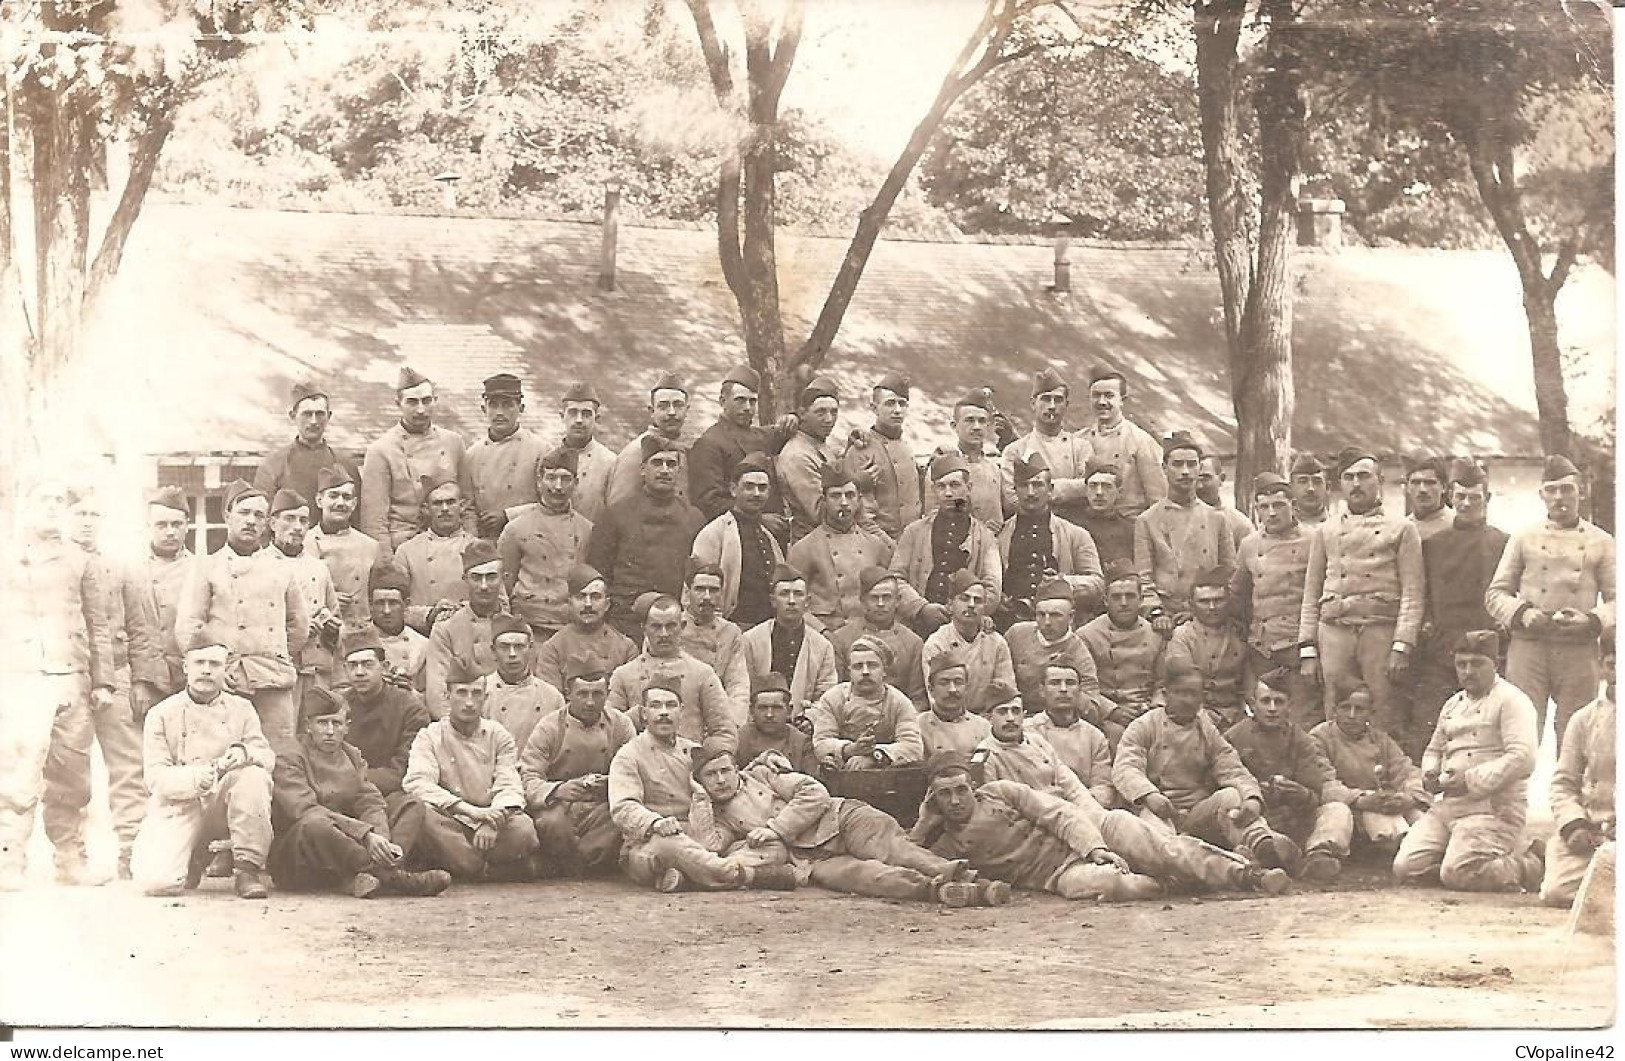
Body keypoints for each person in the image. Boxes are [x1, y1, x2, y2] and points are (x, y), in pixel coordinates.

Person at [913, 759, 1291, 901]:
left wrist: (1095, 847)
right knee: (1119, 885)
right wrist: (923, 824)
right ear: (934, 798)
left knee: (1155, 843)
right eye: (946, 794)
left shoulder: (999, 792)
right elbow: (912, 856)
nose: (958, 799)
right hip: (1058, 874)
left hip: (1094, 836)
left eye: (962, 788)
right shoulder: (945, 843)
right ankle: (1179, 881)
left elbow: (1060, 813)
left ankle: (1247, 874)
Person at [689, 743, 992, 904]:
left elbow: (814, 793)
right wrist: (700, 799)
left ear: (735, 768)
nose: (719, 780)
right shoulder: (721, 816)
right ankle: (939, 891)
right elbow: (709, 846)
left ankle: (962, 875)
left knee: (897, 851)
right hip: (812, 857)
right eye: (710, 776)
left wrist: (775, 829)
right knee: (868, 879)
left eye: (724, 771)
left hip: (842, 818)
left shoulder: (765, 774)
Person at [0, 480, 115, 890]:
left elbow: (98, 621)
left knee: (72, 773)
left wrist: (103, 680)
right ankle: (9, 859)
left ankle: (70, 858)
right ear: (24, 503)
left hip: (71, 678)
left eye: (57, 500)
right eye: (43, 498)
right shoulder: (6, 555)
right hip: (20, 676)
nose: (51, 506)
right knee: (18, 769)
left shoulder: (79, 559)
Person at [45, 489, 165, 882]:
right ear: (65, 517)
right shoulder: (51, 567)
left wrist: (144, 681)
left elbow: (143, 628)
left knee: (129, 767)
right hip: (72, 679)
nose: (87, 521)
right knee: (66, 768)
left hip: (120, 675)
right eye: (79, 512)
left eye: (95, 513)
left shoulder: (122, 568)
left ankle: (132, 849)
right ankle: (69, 854)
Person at [1112, 658, 1299, 871]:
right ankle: (1218, 867)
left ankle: (1264, 848)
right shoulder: (1144, 726)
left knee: (1231, 796)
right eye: (1181, 693)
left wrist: (1252, 798)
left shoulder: (1206, 729)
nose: (1188, 700)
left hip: (1196, 813)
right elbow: (1125, 767)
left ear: (1202, 697)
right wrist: (1148, 794)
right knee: (1158, 840)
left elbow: (1231, 767)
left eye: (1194, 694)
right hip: (1158, 809)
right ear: (1166, 694)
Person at [1392, 631, 1544, 892]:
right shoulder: (1453, 704)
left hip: (1494, 809)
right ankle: (1462, 859)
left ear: (1495, 663)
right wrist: (1430, 773)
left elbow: (1523, 757)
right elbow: (1434, 748)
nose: (1468, 671)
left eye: (1477, 664)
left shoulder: (1512, 701)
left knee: (1458, 874)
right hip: (1450, 807)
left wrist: (1471, 780)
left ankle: (1531, 862)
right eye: (1462, 664)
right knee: (1405, 868)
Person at [268, 686, 451, 898]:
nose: (329, 731)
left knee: (410, 804)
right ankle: (394, 877)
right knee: (314, 824)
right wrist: (366, 836)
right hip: (300, 859)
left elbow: (369, 799)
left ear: (347, 727)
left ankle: (373, 871)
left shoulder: (351, 754)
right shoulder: (289, 756)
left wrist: (380, 838)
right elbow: (304, 810)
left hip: (348, 847)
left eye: (336, 723)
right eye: (321, 723)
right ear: (308, 726)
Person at [608, 679, 789, 892]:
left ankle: (690, 877)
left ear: (681, 712)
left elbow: (726, 776)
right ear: (643, 713)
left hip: (704, 837)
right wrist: (655, 823)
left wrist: (764, 760)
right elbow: (623, 807)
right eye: (656, 706)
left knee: (770, 845)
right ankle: (745, 875)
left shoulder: (694, 750)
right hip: (652, 842)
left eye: (671, 705)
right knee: (670, 847)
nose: (664, 712)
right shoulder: (629, 755)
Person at [130, 637, 275, 899]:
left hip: (224, 803)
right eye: (199, 663)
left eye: (214, 664)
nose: (206, 670)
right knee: (155, 882)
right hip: (180, 804)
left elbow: (266, 756)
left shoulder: (242, 709)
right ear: (186, 667)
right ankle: (194, 856)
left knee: (254, 776)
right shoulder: (162, 713)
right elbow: (156, 778)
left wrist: (244, 752)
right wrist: (202, 775)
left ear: (226, 669)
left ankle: (247, 868)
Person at [1485, 453, 1615, 745]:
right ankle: (1517, 793)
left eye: (1567, 489)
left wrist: (1593, 620)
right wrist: (1522, 613)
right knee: (1521, 736)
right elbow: (1495, 594)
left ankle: (1571, 793)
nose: (1560, 497)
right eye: (1552, 490)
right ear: (1541, 494)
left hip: (1578, 651)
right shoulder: (1523, 537)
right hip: (1529, 648)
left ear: (1581, 491)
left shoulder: (1602, 542)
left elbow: (1617, 600)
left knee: (1577, 737)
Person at [1299, 448, 1424, 740]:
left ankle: (1384, 778)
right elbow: (1311, 592)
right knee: (1335, 709)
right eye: (1349, 477)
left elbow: (1413, 594)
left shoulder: (1403, 529)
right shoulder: (1326, 531)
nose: (1356, 484)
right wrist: (1307, 648)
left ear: (1379, 481)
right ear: (1340, 484)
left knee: (1383, 710)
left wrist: (1402, 645)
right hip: (1333, 632)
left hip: (1379, 632)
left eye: (1364, 476)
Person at [176, 480, 310, 747]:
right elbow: (189, 626)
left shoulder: (281, 568)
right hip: (227, 682)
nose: (250, 521)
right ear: (227, 515)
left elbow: (298, 626)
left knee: (279, 756)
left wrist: (272, 652)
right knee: (221, 754)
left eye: (259, 515)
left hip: (273, 680)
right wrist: (215, 667)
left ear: (267, 523)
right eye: (243, 513)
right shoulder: (207, 566)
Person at [403, 658, 541, 881]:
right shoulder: (430, 735)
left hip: (492, 819)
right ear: (447, 696)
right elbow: (417, 783)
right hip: (452, 819)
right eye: (461, 693)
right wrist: (470, 811)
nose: (469, 702)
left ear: (485, 697)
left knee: (523, 828)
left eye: (476, 693)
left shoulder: (498, 735)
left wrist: (493, 819)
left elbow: (509, 783)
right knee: (422, 816)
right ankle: (486, 871)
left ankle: (464, 867)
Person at [1411, 460, 1509, 760]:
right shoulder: (1432, 544)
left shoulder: (1503, 542)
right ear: (1450, 497)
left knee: (1488, 726)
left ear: (1487, 499)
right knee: (1429, 723)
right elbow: (1421, 595)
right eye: (1460, 497)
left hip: (1488, 649)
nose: (1466, 504)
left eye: (1475, 497)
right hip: (1441, 650)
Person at [1223, 669, 1354, 881]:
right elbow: (1223, 781)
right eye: (1266, 701)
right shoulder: (1234, 737)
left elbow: (1315, 793)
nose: (1272, 709)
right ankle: (1275, 856)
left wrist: (1300, 793)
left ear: (1289, 706)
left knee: (1337, 810)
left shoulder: (1300, 739)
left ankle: (1318, 855)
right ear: (1253, 705)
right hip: (1259, 820)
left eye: (1279, 702)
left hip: (1296, 819)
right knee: (1235, 813)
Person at [520, 664, 636, 878]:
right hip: (560, 806)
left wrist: (610, 783)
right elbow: (527, 778)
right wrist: (558, 790)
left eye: (597, 694)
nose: (590, 702)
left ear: (608, 694)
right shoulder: (549, 727)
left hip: (602, 807)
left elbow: (635, 772)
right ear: (568, 693)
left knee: (622, 819)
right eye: (582, 694)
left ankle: (577, 865)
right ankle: (570, 864)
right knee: (551, 823)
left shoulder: (621, 725)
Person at [588, 433, 706, 638]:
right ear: (643, 470)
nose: (664, 470)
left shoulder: (693, 518)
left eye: (671, 464)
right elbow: (599, 571)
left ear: (679, 471)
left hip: (673, 623)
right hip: (626, 621)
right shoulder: (616, 513)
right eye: (657, 463)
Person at [1232, 473, 1317, 728]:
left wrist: (1310, 648)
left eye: (1279, 505)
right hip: (1262, 648)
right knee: (1264, 718)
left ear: (1293, 505)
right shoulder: (1249, 545)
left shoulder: (1314, 540)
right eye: (1264, 507)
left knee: (1301, 719)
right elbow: (1238, 593)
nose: (1271, 513)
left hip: (1297, 647)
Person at [360, 367, 469, 558]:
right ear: (398, 403)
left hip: (452, 546)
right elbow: (374, 522)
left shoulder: (454, 442)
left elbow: (468, 506)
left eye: (427, 401)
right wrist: (388, 565)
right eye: (412, 402)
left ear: (435, 401)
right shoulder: (381, 451)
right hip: (404, 549)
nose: (421, 409)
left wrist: (470, 550)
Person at [890, 452, 1003, 633]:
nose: (948, 493)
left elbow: (992, 588)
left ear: (969, 487)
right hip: (917, 625)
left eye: (955, 485)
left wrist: (963, 614)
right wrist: (921, 608)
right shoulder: (914, 532)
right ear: (934, 490)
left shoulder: (986, 538)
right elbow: (895, 579)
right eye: (941, 487)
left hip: (964, 628)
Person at [1310, 684, 1428, 856]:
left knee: (1420, 819)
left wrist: (1409, 797)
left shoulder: (1380, 740)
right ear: (1334, 710)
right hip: (1347, 806)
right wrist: (1360, 800)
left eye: (1359, 709)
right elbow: (1324, 783)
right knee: (1340, 813)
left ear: (1370, 713)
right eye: (1345, 708)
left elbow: (1406, 770)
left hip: (1379, 804)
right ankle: (1325, 856)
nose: (1351, 715)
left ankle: (1424, 855)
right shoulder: (1319, 738)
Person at [1135, 432, 1236, 631]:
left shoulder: (1216, 518)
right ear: (1165, 468)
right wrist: (1157, 613)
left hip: (1209, 614)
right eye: (1178, 464)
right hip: (1165, 617)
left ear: (1199, 468)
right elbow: (1143, 578)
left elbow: (1229, 573)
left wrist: (1202, 610)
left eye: (1191, 464)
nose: (1185, 472)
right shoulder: (1147, 520)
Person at [1541, 637, 1615, 908]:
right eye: (1612, 665)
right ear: (1601, 666)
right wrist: (1575, 825)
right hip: (1593, 834)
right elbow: (1563, 783)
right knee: (1556, 892)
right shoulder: (1584, 719)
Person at [608, 594, 738, 746]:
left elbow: (724, 732)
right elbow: (610, 730)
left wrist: (704, 759)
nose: (664, 634)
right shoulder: (624, 675)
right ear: (644, 628)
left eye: (670, 626)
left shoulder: (702, 674)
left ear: (682, 626)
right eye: (656, 626)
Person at [336, 629, 431, 829]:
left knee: (412, 807)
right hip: (342, 796)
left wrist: (355, 782)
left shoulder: (410, 708)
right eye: (353, 666)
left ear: (384, 667)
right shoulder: (337, 707)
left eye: (368, 664)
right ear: (345, 669)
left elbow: (404, 769)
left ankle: (390, 858)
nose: (360, 672)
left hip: (389, 795)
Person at [997, 452, 1104, 628]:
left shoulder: (1076, 535)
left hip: (1060, 625)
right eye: (1024, 485)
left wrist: (1064, 582)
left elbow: (1097, 585)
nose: (1031, 493)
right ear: (1015, 490)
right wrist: (997, 597)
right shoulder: (999, 535)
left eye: (1037, 485)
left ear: (1050, 489)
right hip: (1009, 623)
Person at [497, 446, 592, 641]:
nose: (558, 487)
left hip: (571, 630)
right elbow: (503, 587)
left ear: (576, 483)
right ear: (539, 482)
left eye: (565, 479)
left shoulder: (587, 530)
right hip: (529, 628)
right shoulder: (516, 529)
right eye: (551, 478)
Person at [788, 465, 894, 636]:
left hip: (869, 635)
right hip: (827, 634)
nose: (844, 503)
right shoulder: (804, 548)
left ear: (859, 500)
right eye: (836, 496)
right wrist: (821, 631)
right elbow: (792, 602)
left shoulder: (875, 544)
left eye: (850, 495)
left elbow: (892, 593)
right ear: (824, 501)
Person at [687, 364, 799, 525]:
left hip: (773, 532)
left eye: (752, 401)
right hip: (735, 534)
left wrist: (793, 418)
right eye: (740, 400)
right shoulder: (709, 443)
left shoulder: (762, 435)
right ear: (723, 401)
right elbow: (708, 502)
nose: (747, 407)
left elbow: (796, 429)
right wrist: (758, 519)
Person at [690, 452, 785, 628]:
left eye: (762, 488)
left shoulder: (767, 536)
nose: (756, 494)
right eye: (749, 487)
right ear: (734, 490)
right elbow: (697, 590)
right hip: (728, 627)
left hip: (766, 629)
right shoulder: (714, 533)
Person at [1079, 561, 1165, 748]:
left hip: (1148, 712)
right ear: (1105, 600)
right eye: (1117, 597)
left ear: (1141, 599)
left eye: (1130, 596)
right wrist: (1112, 711)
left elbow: (1164, 683)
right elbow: (1084, 687)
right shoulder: (1087, 636)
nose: (1124, 603)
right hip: (1109, 718)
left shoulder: (1155, 635)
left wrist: (1155, 707)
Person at [808, 637, 925, 772]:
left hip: (888, 776)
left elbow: (913, 747)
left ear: (884, 670)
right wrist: (850, 749)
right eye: (858, 666)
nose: (865, 672)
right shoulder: (833, 699)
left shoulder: (899, 702)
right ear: (849, 671)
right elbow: (821, 743)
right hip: (841, 773)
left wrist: (874, 756)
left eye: (872, 665)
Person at [975, 688, 1101, 810]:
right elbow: (993, 809)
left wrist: (1093, 811)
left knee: (1115, 818)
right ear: (988, 718)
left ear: (1024, 715)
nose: (1010, 718)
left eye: (1016, 711)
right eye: (1002, 712)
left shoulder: (1037, 741)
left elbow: (1071, 785)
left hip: (1068, 810)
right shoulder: (985, 755)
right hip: (1033, 824)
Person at [266, 488, 340, 696]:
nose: (297, 527)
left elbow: (334, 614)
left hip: (318, 672)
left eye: (303, 521)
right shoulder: (259, 565)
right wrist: (301, 628)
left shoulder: (319, 568)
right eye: (289, 519)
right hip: (278, 671)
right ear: (273, 524)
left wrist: (332, 628)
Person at [740, 564, 840, 715]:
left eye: (798, 594)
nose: (791, 601)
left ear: (807, 602)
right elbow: (741, 688)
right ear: (773, 601)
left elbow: (827, 695)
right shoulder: (751, 640)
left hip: (804, 725)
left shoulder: (822, 646)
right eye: (784, 594)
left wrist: (810, 718)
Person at [424, 539, 507, 717]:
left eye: (491, 577)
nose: (484, 586)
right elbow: (438, 695)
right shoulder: (446, 628)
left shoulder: (516, 629)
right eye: (476, 578)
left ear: (503, 578)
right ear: (465, 579)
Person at [461, 373, 548, 540]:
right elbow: (467, 508)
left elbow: (551, 503)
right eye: (493, 405)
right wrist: (474, 540)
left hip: (529, 540)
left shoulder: (540, 450)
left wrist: (508, 515)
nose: (499, 412)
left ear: (521, 408)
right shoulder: (471, 455)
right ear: (483, 409)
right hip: (486, 542)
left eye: (508, 405)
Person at [254, 380, 356, 521]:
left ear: (329, 416)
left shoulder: (346, 464)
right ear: (293, 416)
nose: (314, 421)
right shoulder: (273, 465)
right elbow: (262, 518)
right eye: (307, 414)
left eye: (320, 414)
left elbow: (356, 518)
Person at [1001, 365, 1091, 526]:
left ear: (1066, 405)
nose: (1052, 406)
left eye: (1058, 400)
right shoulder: (1015, 450)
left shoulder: (1081, 447)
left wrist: (1039, 493)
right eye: (1045, 399)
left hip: (1072, 527)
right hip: (1030, 527)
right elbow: (1010, 500)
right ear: (1033, 403)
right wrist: (1067, 490)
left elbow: (1087, 488)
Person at [827, 566, 927, 708]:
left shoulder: (913, 643)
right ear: (862, 600)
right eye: (874, 598)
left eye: (886, 597)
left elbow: (918, 698)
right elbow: (835, 694)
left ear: (897, 600)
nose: (880, 604)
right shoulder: (841, 639)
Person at [1073, 367, 1166, 517]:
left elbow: (1159, 499)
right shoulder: (1079, 440)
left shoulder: (1141, 441)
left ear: (1122, 400)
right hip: (1087, 527)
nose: (1102, 402)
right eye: (1096, 395)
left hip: (1129, 527)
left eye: (1109, 395)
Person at [921, 571, 1016, 716]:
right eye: (964, 598)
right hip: (948, 719)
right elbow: (936, 699)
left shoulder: (996, 643)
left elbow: (1006, 693)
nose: (971, 605)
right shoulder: (937, 644)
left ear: (984, 608)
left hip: (989, 719)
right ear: (950, 604)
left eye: (977, 600)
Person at [1024, 662, 1117, 809]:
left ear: (1080, 691)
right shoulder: (1027, 732)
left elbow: (1103, 787)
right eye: (1055, 683)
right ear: (1042, 690)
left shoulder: (1094, 736)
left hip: (1086, 809)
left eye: (1070, 683)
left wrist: (1083, 805)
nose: (1063, 689)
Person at [1164, 567, 1248, 730]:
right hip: (1197, 714)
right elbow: (1184, 687)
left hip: (1236, 714)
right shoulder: (1182, 636)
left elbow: (1249, 684)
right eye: (1204, 601)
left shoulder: (1239, 634)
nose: (1212, 607)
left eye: (1218, 600)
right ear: (1191, 604)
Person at [394, 477, 480, 635]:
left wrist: (463, 611)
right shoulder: (406, 551)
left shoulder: (478, 548)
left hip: (470, 634)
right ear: (426, 509)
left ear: (461, 506)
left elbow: (500, 603)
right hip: (424, 636)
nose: (445, 508)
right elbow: (395, 607)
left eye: (451, 502)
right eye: (438, 503)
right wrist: (430, 614)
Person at [842, 372, 923, 539]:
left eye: (902, 404)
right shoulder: (862, 450)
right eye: (890, 404)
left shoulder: (907, 446)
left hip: (914, 540)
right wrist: (889, 547)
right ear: (874, 408)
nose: (897, 410)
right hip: (880, 542)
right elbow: (863, 516)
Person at [533, 565, 637, 693]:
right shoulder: (553, 648)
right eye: (581, 597)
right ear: (570, 604)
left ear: (607, 604)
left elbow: (626, 696)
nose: (588, 604)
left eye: (595, 597)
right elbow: (552, 698)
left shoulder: (626, 647)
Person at [134, 486, 195, 702]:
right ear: (148, 526)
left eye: (177, 524)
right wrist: (140, 681)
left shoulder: (202, 570)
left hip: (191, 680)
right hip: (149, 681)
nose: (170, 532)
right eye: (161, 525)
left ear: (187, 526)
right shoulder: (131, 570)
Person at [1004, 577, 1103, 711]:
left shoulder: (1079, 654)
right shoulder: (1017, 634)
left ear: (1071, 617)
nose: (1047, 622)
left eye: (1056, 615)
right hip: (1015, 713)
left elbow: (1093, 709)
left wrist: (1068, 683)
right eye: (1041, 614)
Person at [303, 464, 381, 624]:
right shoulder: (304, 543)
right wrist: (326, 598)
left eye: (346, 497)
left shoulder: (370, 546)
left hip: (361, 632)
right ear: (319, 500)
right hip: (319, 632)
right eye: (333, 496)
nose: (340, 503)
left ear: (354, 504)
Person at [607, 372, 692, 509]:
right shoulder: (635, 452)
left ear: (687, 410)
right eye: (663, 406)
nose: (671, 412)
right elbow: (619, 508)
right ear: (651, 411)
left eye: (678, 405)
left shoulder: (687, 450)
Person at [678, 559, 751, 716]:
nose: (706, 597)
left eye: (713, 590)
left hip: (717, 711)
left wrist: (732, 721)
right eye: (700, 589)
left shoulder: (730, 632)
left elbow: (737, 684)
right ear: (687, 591)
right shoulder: (670, 626)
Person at [928, 389, 1008, 532]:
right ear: (954, 426)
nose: (976, 427)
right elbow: (931, 517)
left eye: (982, 421)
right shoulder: (942, 465)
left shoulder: (994, 469)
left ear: (988, 426)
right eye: (969, 420)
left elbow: (1006, 511)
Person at [777, 375, 844, 544]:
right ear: (802, 414)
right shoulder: (797, 455)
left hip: (832, 538)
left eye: (833, 412)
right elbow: (821, 512)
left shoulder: (819, 444)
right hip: (811, 545)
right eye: (820, 412)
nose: (829, 419)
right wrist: (860, 485)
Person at [482, 613, 564, 751]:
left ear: (531, 648)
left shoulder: (551, 697)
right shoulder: (480, 693)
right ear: (493, 650)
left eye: (519, 646)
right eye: (504, 647)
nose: (512, 654)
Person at [552, 381, 617, 524]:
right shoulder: (547, 457)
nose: (579, 420)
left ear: (597, 419)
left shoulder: (610, 462)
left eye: (586, 414)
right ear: (562, 416)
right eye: (573, 413)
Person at [734, 673, 819, 776]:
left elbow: (812, 782)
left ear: (789, 710)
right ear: (751, 711)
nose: (769, 715)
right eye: (763, 708)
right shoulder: (739, 739)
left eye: (777, 708)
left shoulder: (801, 743)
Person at [916, 651, 992, 759]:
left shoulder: (983, 728)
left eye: (958, 682)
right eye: (944, 683)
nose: (952, 689)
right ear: (931, 689)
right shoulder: (917, 727)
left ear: (967, 688)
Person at [366, 560, 428, 693]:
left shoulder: (422, 646)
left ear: (406, 605)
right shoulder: (356, 642)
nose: (386, 611)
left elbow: (428, 696)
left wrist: (410, 691)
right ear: (370, 606)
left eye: (393, 603)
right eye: (380, 603)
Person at [1076, 461, 1136, 571]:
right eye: (1093, 486)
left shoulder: (1130, 530)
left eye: (1107, 486)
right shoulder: (1073, 527)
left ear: (1120, 493)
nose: (1099, 492)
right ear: (1086, 491)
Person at [1403, 452, 1454, 543]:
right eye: (1416, 482)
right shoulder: (1401, 529)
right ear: (1407, 488)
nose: (1422, 489)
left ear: (1444, 487)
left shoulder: (1456, 525)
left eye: (1430, 483)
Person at [1288, 452, 1331, 526]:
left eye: (1317, 482)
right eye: (1302, 482)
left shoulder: (1340, 527)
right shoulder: (1282, 528)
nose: (1310, 488)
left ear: (1327, 487)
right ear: (1291, 488)